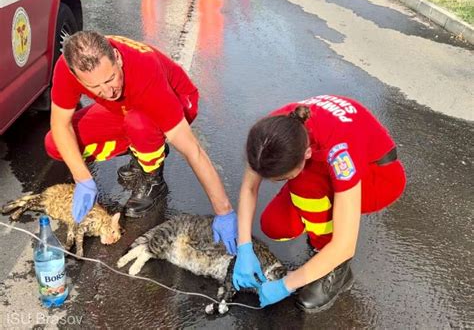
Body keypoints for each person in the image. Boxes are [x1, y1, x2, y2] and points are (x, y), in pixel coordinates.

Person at [44, 31, 237, 254]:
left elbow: (193, 151)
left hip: (177, 99)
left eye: (111, 78)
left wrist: (224, 210)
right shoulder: (67, 68)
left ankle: (152, 176)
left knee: (139, 124)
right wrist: (82, 178)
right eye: (95, 87)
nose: (107, 91)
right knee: (55, 144)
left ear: (117, 57)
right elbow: (60, 125)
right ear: (76, 76)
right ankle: (140, 148)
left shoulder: (145, 73)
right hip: (126, 108)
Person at [232, 95, 406, 311]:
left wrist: (287, 284)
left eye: (282, 178)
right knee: (275, 224)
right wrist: (244, 247)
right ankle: (318, 219)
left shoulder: (340, 153)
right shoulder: (270, 133)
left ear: (306, 154)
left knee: (306, 187)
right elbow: (249, 187)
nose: (278, 182)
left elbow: (345, 245)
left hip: (378, 178)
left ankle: (336, 270)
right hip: (323, 163)